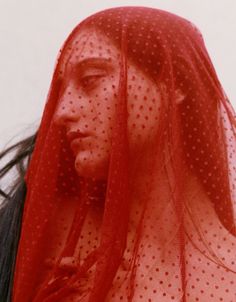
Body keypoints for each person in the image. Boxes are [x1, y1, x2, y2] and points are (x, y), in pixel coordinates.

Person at [0, 6, 236, 302]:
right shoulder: (52, 234)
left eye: (90, 80)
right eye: (62, 89)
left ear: (172, 82)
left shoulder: (227, 279)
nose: (62, 111)